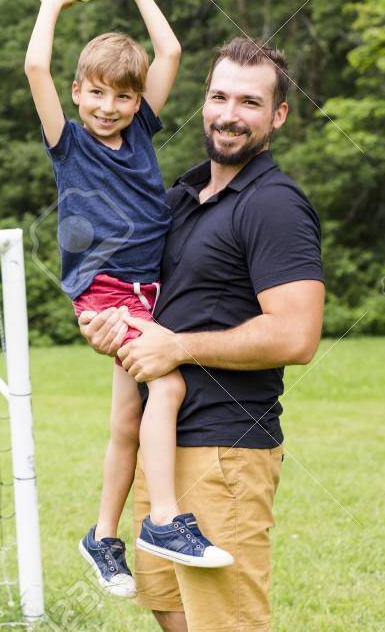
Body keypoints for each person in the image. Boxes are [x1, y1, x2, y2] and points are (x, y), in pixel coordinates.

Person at [77, 37, 326, 632]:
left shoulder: (275, 206)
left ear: (277, 116)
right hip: (158, 451)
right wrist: (103, 328)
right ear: (204, 103)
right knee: (172, 614)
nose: (230, 114)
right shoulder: (179, 199)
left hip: (225, 451)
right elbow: (139, 299)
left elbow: (297, 337)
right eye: (219, 96)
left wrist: (179, 346)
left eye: (249, 101)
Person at [23, 0, 233, 603]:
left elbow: (168, 52)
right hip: (108, 294)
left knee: (126, 419)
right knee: (167, 389)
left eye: (122, 96)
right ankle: (167, 521)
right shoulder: (69, 145)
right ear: (78, 92)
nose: (109, 107)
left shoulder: (142, 130)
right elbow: (34, 66)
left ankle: (103, 534)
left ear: (137, 101)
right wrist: (53, 3)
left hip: (152, 290)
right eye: (96, 93)